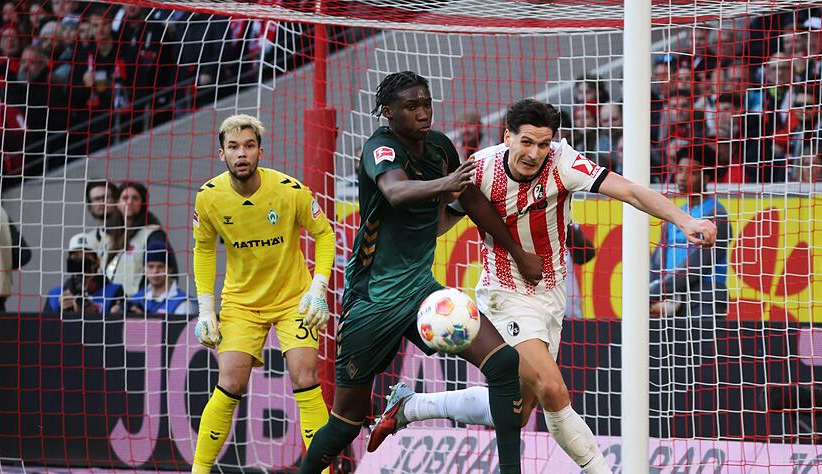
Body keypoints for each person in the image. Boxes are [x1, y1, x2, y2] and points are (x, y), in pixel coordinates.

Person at [368, 98, 718, 474]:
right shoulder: (481, 169)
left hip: (550, 295)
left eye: (543, 144)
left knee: (514, 412)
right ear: (508, 137)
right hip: (503, 295)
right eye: (527, 142)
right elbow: (443, 222)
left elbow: (629, 190)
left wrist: (684, 220)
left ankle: (411, 406)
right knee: (553, 389)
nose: (534, 153)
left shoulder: (563, 162)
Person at [298, 71, 543, 474]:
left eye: (426, 103)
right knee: (346, 421)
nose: (423, 113)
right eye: (411, 107)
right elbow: (395, 191)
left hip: (421, 294)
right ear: (389, 113)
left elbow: (473, 200)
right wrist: (446, 183)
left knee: (503, 367)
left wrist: (515, 251)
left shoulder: (440, 147)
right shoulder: (380, 148)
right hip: (372, 302)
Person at [191, 114, 335, 474]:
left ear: (260, 151)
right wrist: (206, 308)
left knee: (305, 376)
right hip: (241, 303)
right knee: (229, 381)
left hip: (293, 299)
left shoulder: (290, 190)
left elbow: (325, 235)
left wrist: (318, 288)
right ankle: (199, 471)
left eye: (249, 146)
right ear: (221, 154)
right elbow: (203, 249)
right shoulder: (209, 198)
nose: (242, 153)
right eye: (234, 147)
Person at [650, 143, 731, 318]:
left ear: (707, 177)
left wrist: (656, 290)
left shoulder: (717, 215)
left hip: (704, 296)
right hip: (671, 297)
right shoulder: (675, 214)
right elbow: (657, 260)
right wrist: (653, 288)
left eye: (691, 172)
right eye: (679, 170)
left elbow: (697, 266)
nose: (681, 177)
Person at [105, 181, 175, 296]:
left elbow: (167, 271)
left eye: (135, 198)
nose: (130, 202)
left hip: (139, 305)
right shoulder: (111, 235)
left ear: (143, 204)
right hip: (112, 303)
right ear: (117, 203)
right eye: (125, 198)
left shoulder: (154, 234)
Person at [45, 233, 124, 316]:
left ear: (97, 262)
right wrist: (61, 311)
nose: (81, 263)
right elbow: (45, 327)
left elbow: (122, 326)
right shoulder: (55, 295)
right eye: (75, 257)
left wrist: (94, 314)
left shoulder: (114, 292)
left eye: (86, 257)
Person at [127, 240, 197, 316]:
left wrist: (141, 319)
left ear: (170, 269)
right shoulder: (135, 299)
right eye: (150, 266)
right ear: (144, 269)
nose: (155, 271)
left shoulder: (183, 303)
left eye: (160, 266)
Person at [84, 180, 120, 268]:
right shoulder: (88, 239)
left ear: (116, 200)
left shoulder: (128, 232)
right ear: (90, 206)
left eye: (106, 197)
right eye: (96, 199)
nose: (101, 202)